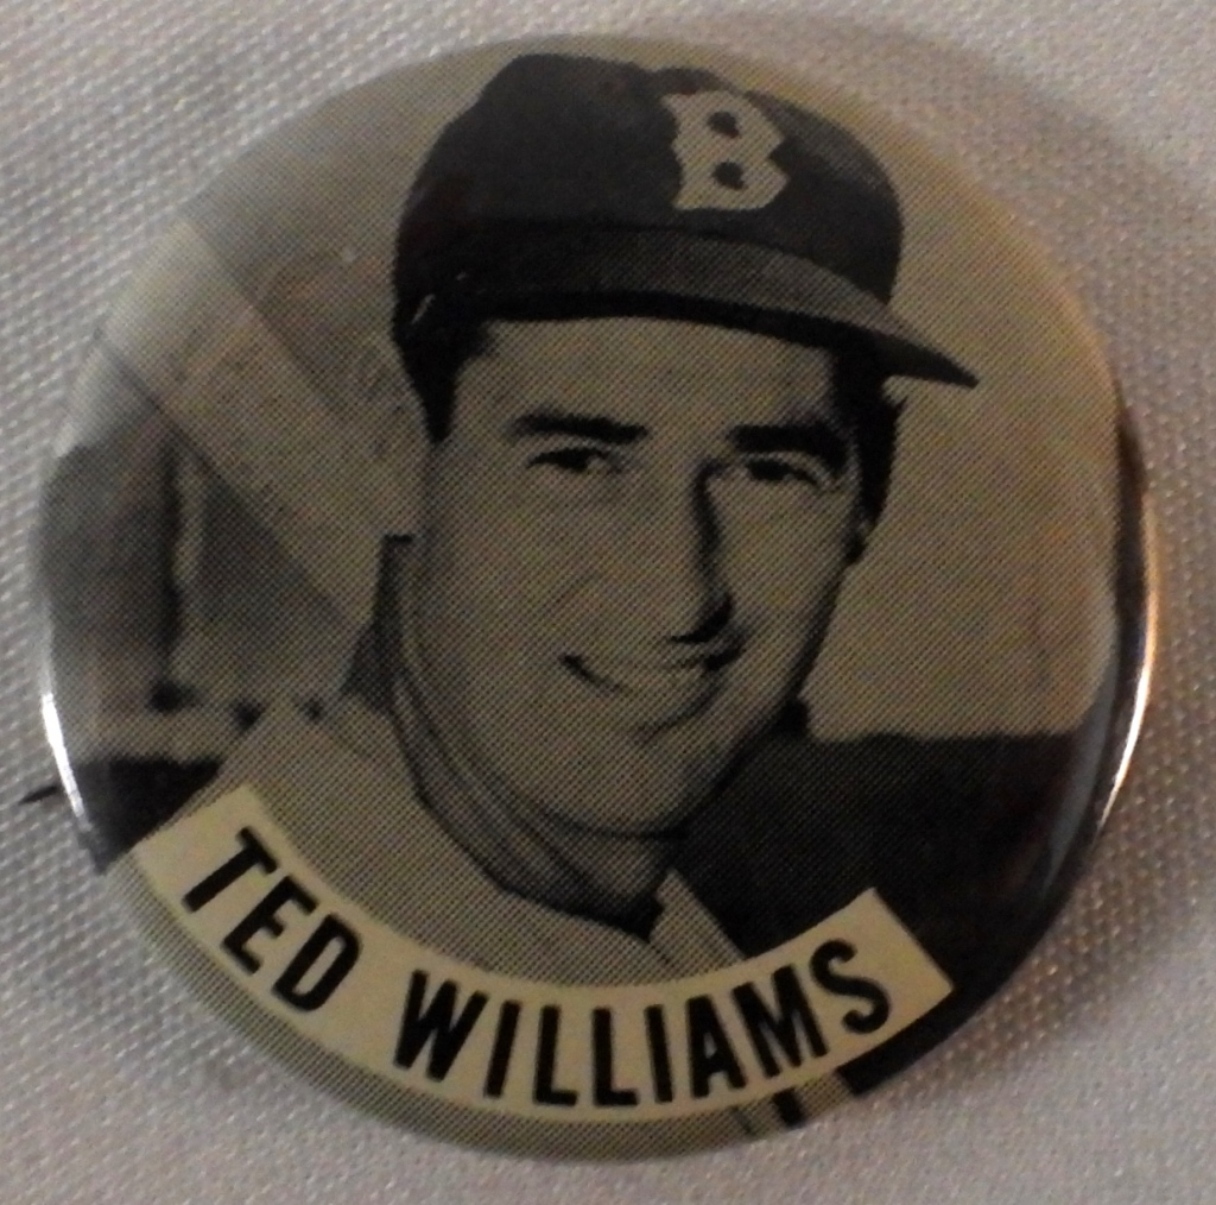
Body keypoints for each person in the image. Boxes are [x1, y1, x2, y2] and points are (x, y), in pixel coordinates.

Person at [162, 50, 976, 995]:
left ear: (871, 490)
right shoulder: (295, 915)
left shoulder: (647, 945)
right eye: (580, 461)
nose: (677, 593)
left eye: (767, 472)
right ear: (395, 447)